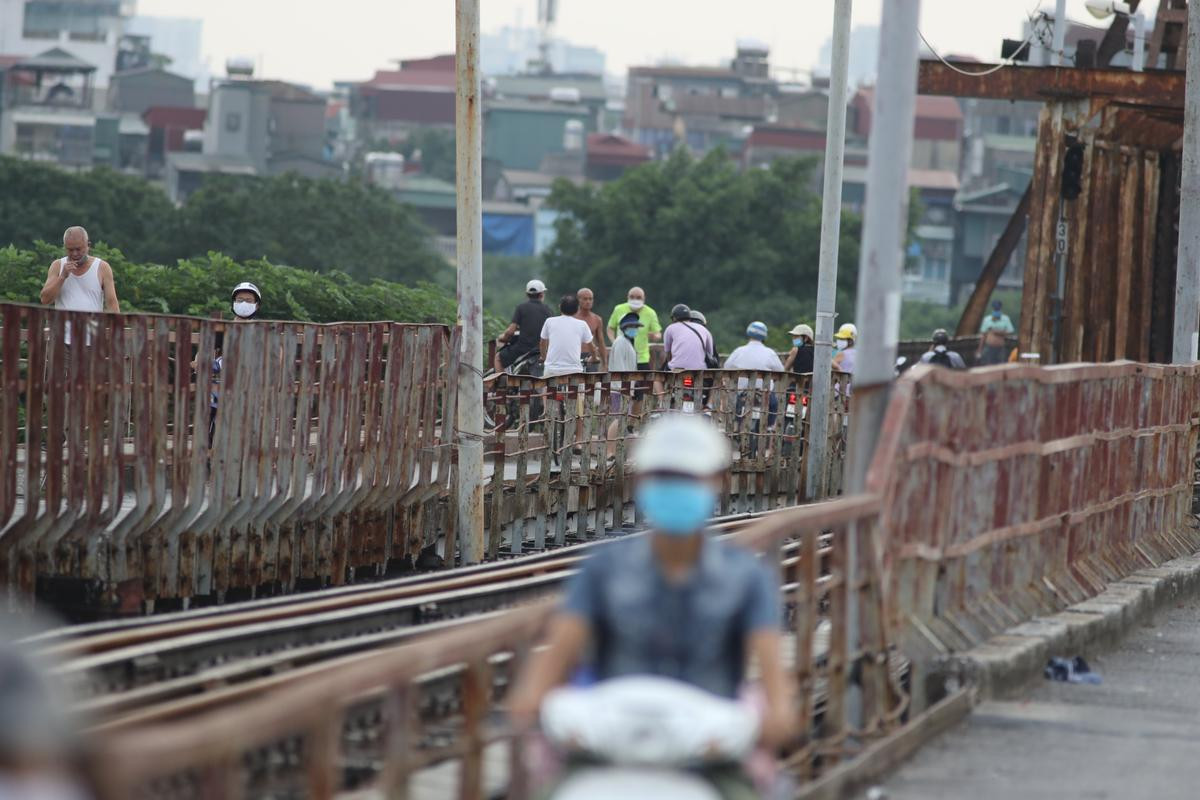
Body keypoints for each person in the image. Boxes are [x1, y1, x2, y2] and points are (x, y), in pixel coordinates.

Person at [508, 413, 796, 796]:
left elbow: (775, 681)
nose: (675, 487)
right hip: (607, 749)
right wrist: (532, 700)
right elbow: (555, 656)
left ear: (715, 482)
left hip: (709, 757)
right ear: (642, 481)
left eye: (688, 478)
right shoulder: (604, 569)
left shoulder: (746, 579)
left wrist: (775, 717)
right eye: (664, 477)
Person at [194, 282, 262, 445]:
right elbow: (205, 350)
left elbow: (276, 356)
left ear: (257, 305)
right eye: (239, 299)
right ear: (233, 303)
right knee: (212, 425)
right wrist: (199, 362)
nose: (244, 303)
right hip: (221, 387)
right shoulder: (223, 329)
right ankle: (210, 460)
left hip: (250, 389)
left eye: (248, 299)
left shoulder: (262, 330)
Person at [39, 226, 121, 346]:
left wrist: (116, 335)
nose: (75, 254)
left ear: (88, 245)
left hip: (92, 341)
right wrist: (62, 277)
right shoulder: (57, 265)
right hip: (61, 340)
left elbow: (112, 304)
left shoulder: (102, 267)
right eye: (70, 250)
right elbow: (45, 299)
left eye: (79, 249)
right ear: (64, 247)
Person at [495, 279, 552, 374]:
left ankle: (503, 386)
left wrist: (502, 338)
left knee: (498, 358)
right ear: (541, 294)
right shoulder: (548, 310)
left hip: (523, 349)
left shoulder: (521, 308)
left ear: (527, 295)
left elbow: (510, 332)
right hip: (541, 350)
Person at [606, 286, 662, 370]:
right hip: (623, 355)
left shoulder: (650, 312)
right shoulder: (618, 309)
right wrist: (614, 342)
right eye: (632, 297)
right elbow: (610, 328)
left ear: (644, 298)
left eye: (639, 297)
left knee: (642, 382)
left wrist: (655, 336)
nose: (635, 299)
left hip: (642, 357)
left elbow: (658, 333)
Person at [539, 294, 594, 379]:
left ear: (560, 307)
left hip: (552, 370)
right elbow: (591, 347)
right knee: (578, 391)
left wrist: (545, 358)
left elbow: (542, 344)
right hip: (574, 370)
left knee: (548, 391)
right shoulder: (582, 324)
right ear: (577, 309)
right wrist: (594, 357)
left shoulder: (549, 322)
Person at [662, 303, 716, 371]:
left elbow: (668, 354)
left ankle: (658, 382)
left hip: (677, 369)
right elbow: (710, 353)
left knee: (659, 379)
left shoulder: (670, 328)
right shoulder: (704, 330)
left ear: (674, 318)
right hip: (700, 369)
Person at [574, 287, 608, 371]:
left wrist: (605, 363)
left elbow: (601, 342)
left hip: (591, 357)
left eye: (590, 299)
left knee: (591, 383)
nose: (588, 301)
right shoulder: (572, 318)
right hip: (575, 356)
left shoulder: (597, 319)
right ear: (578, 300)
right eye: (585, 299)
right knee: (574, 383)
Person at [978, 300, 1015, 366]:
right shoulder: (987, 319)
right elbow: (983, 336)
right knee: (988, 365)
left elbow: (1010, 332)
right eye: (995, 308)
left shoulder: (1005, 319)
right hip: (989, 348)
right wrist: (979, 350)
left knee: (1001, 365)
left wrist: (997, 332)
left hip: (1000, 348)